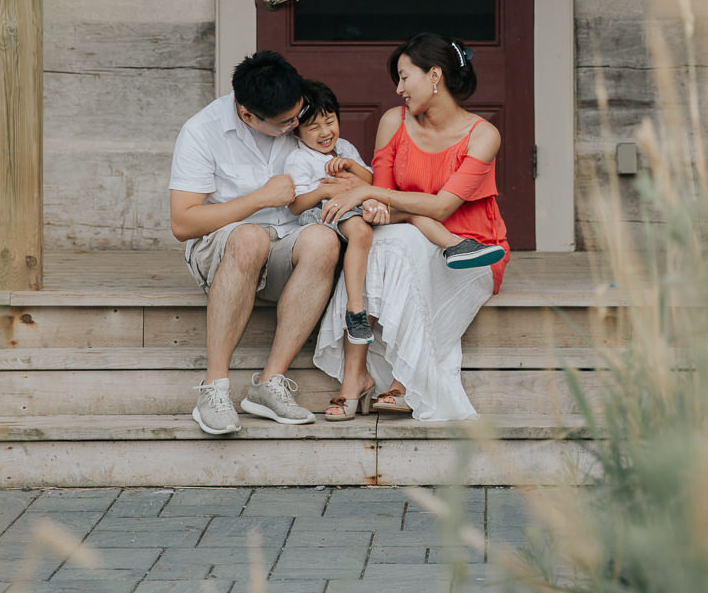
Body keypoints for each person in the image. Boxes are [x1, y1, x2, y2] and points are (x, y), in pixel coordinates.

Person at [312, 33, 510, 421]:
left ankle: (404, 378)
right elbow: (380, 196)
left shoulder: (483, 135)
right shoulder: (393, 122)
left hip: (471, 250)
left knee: (395, 241)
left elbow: (442, 205)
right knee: (386, 240)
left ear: (434, 75)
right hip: (404, 235)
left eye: (405, 78)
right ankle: (357, 377)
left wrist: (373, 194)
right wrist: (371, 197)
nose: (398, 89)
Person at [169, 51, 348, 435]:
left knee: (322, 240)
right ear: (248, 115)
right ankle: (213, 387)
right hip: (224, 247)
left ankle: (270, 384)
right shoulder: (203, 131)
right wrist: (258, 200)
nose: (296, 125)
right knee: (250, 237)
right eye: (285, 124)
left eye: (299, 115)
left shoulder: (304, 115)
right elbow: (183, 222)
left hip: (289, 244)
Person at [285, 80, 383, 351]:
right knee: (362, 232)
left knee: (396, 215)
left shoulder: (346, 148)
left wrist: (350, 167)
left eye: (329, 121)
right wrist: (323, 190)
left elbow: (371, 179)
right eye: (314, 127)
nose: (325, 132)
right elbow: (295, 205)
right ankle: (355, 310)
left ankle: (448, 243)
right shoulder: (299, 159)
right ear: (297, 133)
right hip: (321, 212)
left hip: (351, 206)